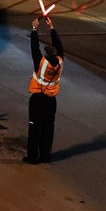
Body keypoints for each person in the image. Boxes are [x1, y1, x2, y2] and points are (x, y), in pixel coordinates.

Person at [23, 16, 64, 164]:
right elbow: (60, 47)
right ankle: (45, 155)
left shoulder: (41, 63)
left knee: (34, 128)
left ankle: (33, 157)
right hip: (51, 100)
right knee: (48, 129)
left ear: (46, 54)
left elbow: (34, 47)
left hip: (38, 99)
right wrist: (52, 28)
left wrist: (34, 29)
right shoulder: (60, 62)